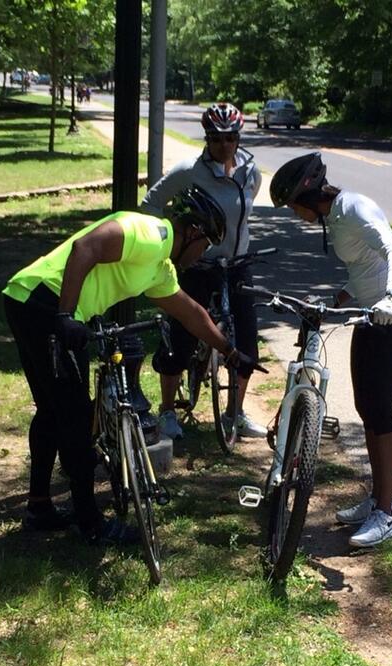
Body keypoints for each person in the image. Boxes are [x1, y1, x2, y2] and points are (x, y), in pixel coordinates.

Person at [3, 185, 259, 543]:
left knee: (52, 411)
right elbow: (85, 247)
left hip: (30, 301)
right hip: (43, 302)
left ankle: (40, 507)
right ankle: (91, 524)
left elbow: (191, 314)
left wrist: (232, 353)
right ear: (193, 232)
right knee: (76, 418)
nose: (204, 253)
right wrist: (65, 316)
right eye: (206, 243)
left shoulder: (159, 268)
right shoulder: (149, 234)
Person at [270, 153, 392, 548]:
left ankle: (388, 514)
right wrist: (333, 301)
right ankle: (377, 498)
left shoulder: (354, 207)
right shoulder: (336, 218)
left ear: (307, 198)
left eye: (292, 207)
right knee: (365, 408)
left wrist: (391, 298)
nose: (294, 215)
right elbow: (363, 271)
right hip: (371, 315)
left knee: (381, 411)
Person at [141, 101, 267, 440]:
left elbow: (246, 206)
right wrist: (170, 235)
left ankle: (234, 413)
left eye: (230, 138)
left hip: (238, 265)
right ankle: (167, 411)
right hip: (199, 266)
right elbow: (151, 203)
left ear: (239, 138)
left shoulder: (250, 172)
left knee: (247, 346)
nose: (223, 145)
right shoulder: (188, 171)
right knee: (180, 342)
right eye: (216, 139)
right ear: (207, 140)